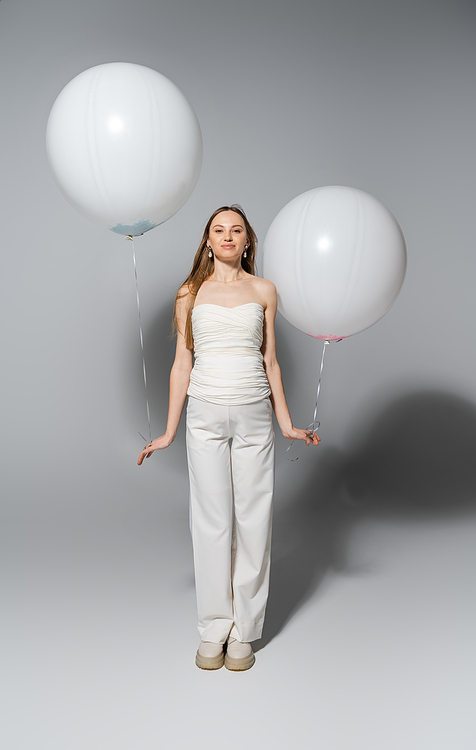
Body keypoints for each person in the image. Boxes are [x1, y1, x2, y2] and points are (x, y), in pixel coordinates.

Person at [137, 205, 320, 671]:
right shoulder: (189, 294)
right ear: (207, 240)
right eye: (218, 229)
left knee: (254, 518)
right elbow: (182, 364)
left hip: (255, 416)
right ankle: (214, 627)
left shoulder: (264, 291)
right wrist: (168, 430)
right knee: (211, 521)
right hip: (204, 417)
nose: (227, 236)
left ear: (247, 241)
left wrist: (286, 423)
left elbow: (271, 361)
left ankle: (244, 631)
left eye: (236, 229)